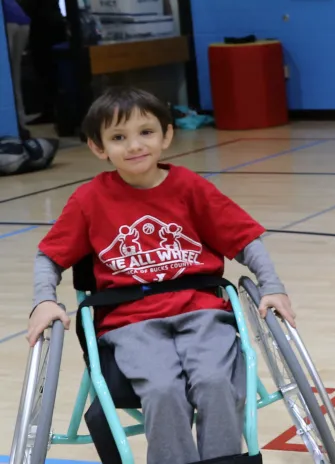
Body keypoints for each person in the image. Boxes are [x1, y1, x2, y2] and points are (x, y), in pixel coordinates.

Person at [26, 86, 297, 464]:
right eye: (119, 137)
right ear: (98, 147)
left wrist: (273, 286)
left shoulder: (190, 187)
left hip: (202, 310)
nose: (135, 145)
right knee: (162, 389)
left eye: (146, 132)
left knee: (217, 383)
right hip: (130, 321)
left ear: (167, 135)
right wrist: (44, 300)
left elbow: (246, 240)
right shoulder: (90, 199)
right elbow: (49, 256)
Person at [13, 0, 66, 124]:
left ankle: (48, 112)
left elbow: (27, 6)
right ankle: (62, 110)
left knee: (43, 71)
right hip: (57, 25)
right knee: (58, 70)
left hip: (40, 28)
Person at [3, 0, 30, 131]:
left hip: (5, 22)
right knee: (14, 75)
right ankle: (20, 122)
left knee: (5, 78)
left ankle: (12, 125)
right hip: (22, 21)